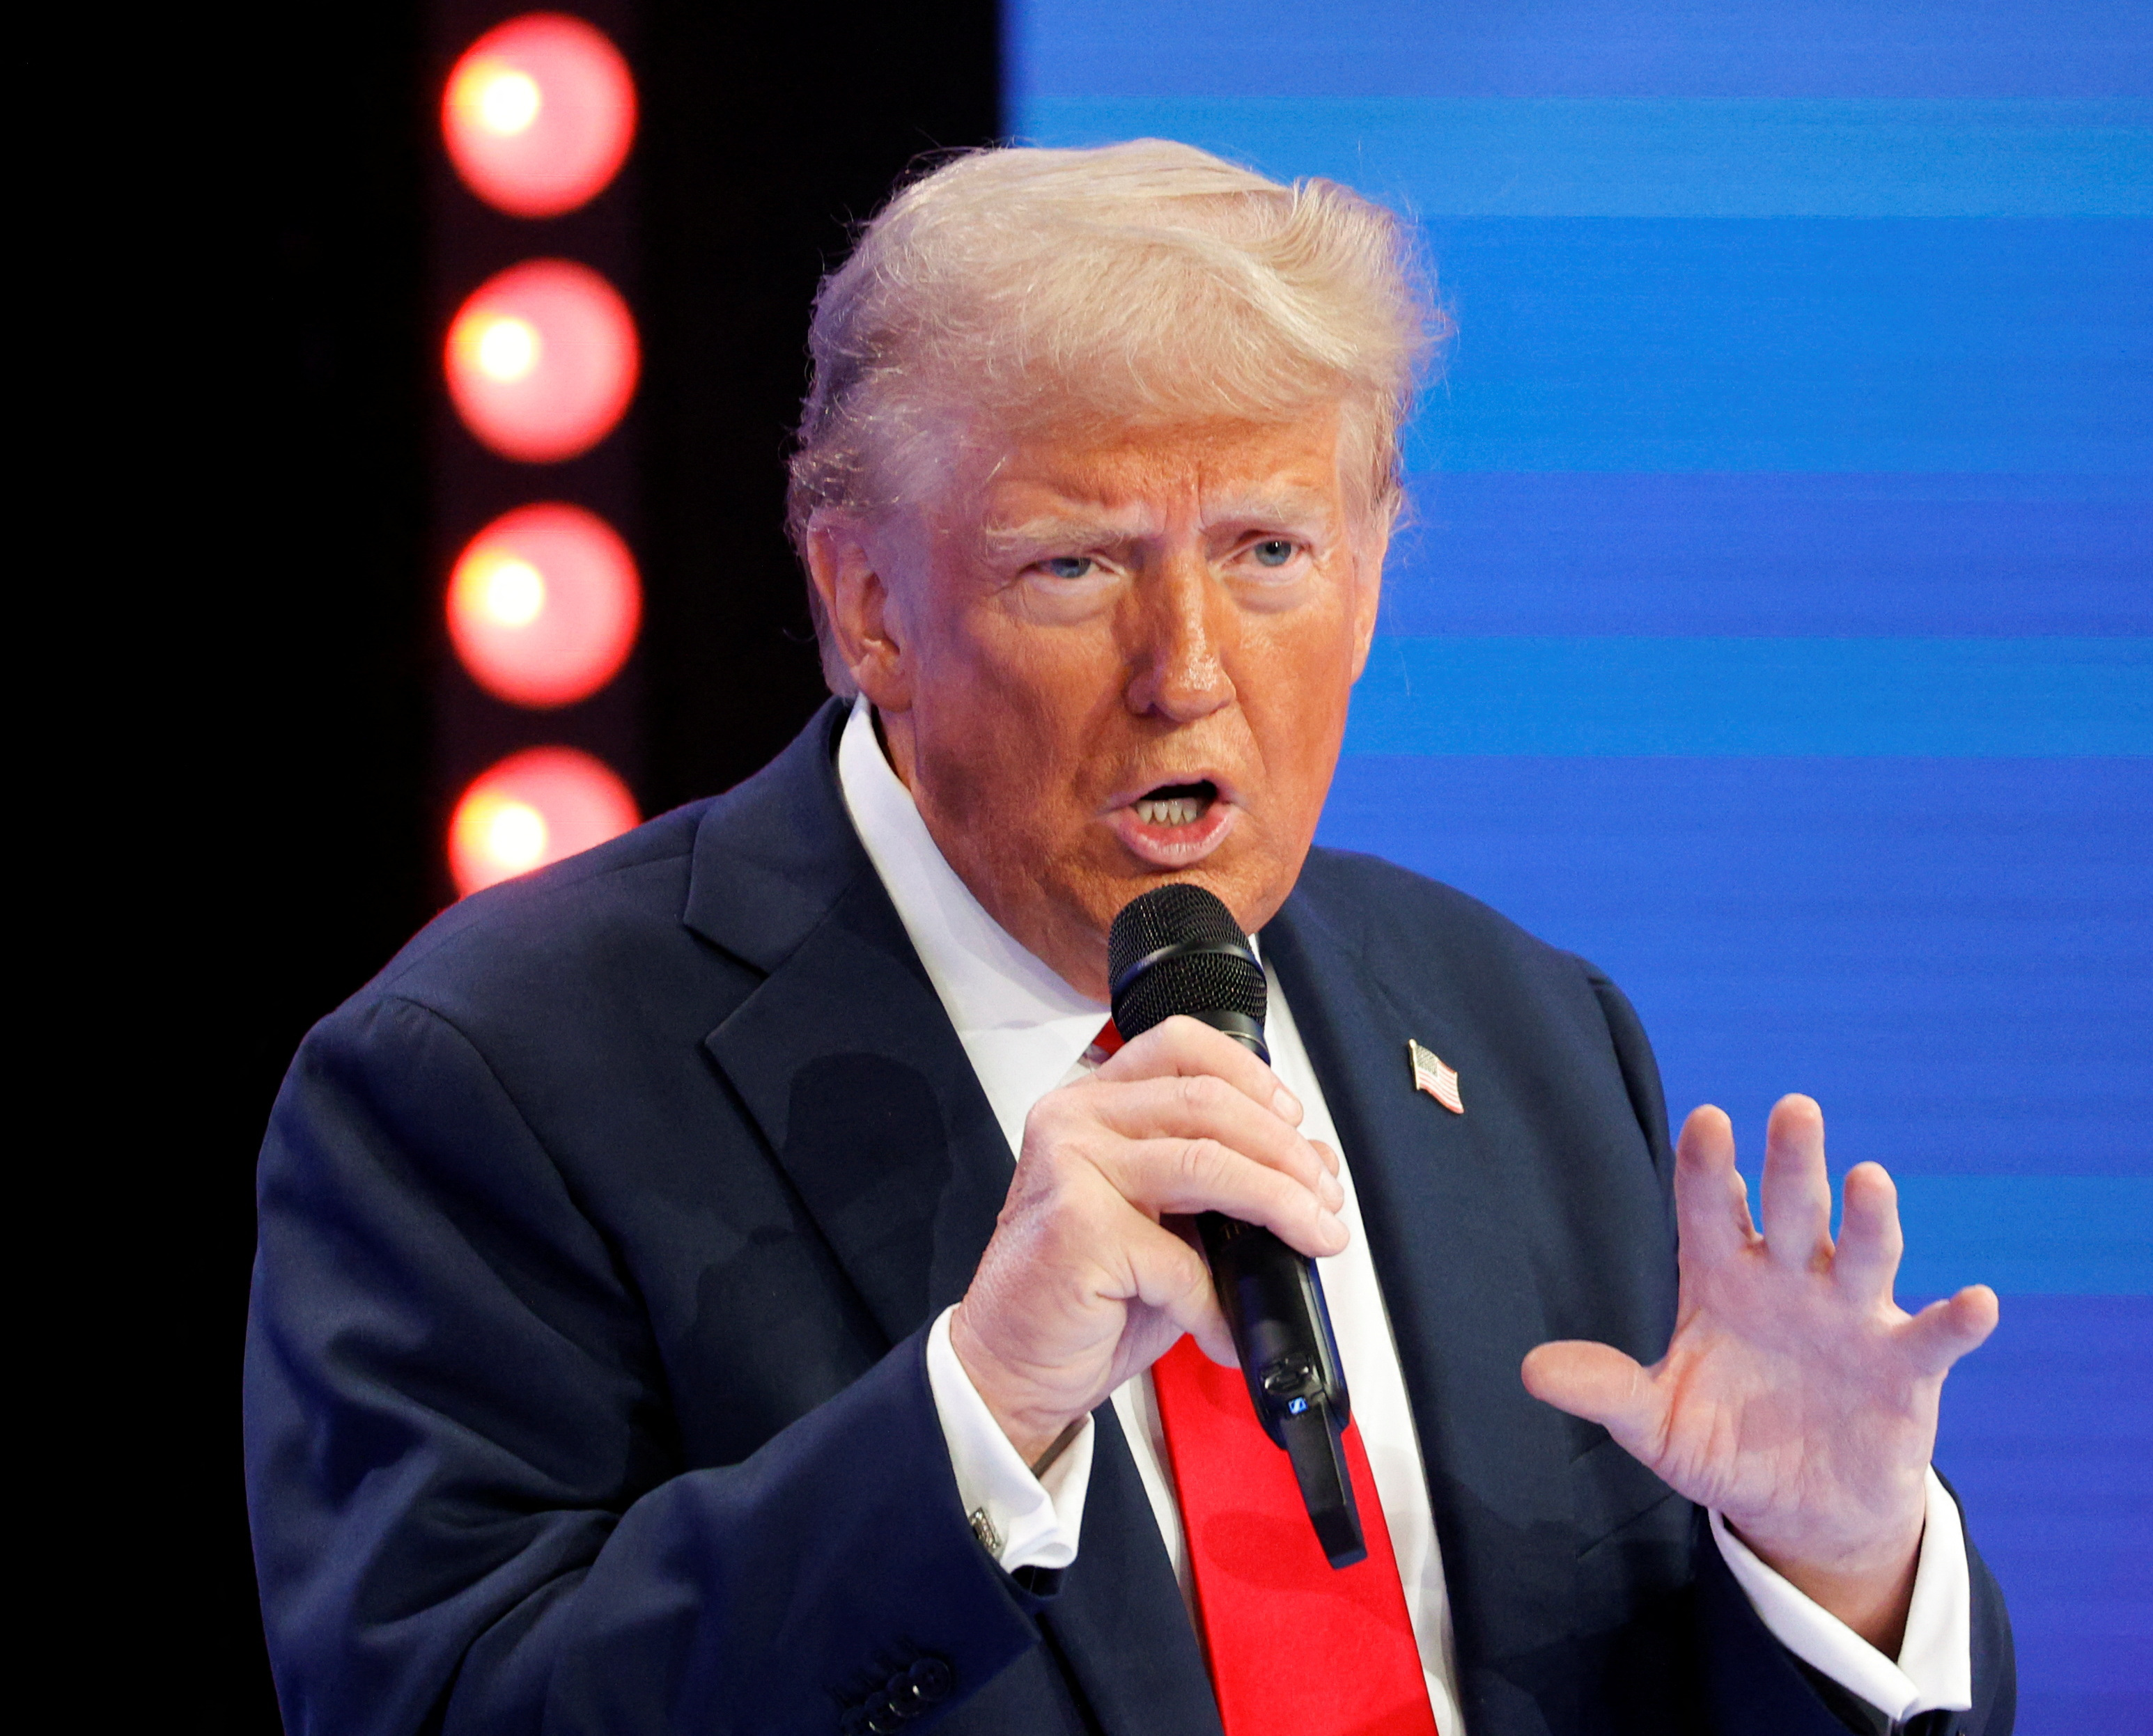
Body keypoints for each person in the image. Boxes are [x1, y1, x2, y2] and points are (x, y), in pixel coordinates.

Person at [246, 140, 2015, 1736]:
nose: (1188, 667)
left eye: (1267, 549)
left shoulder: (1525, 1032)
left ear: (1379, 560)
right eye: (1078, 567)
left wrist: (1835, 1576)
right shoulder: (497, 1078)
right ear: (866, 598)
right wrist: (977, 1416)